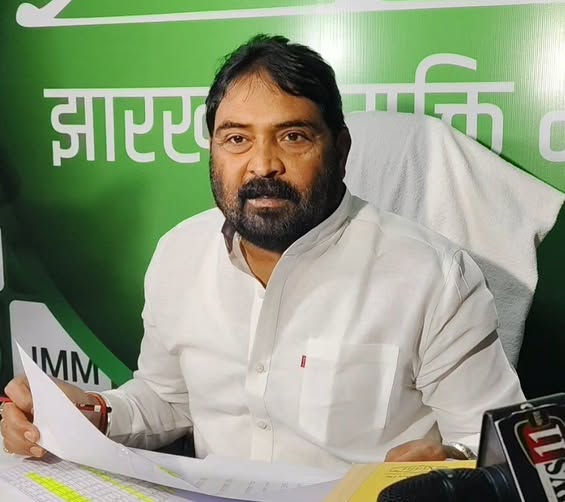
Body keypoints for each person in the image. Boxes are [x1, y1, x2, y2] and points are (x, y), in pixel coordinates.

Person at [1, 34, 524, 470]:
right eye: (236, 139)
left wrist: (450, 464)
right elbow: (168, 398)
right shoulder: (179, 254)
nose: (262, 164)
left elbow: (497, 446)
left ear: (340, 150)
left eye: (292, 136)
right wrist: (91, 412)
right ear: (213, 150)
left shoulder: (432, 275)